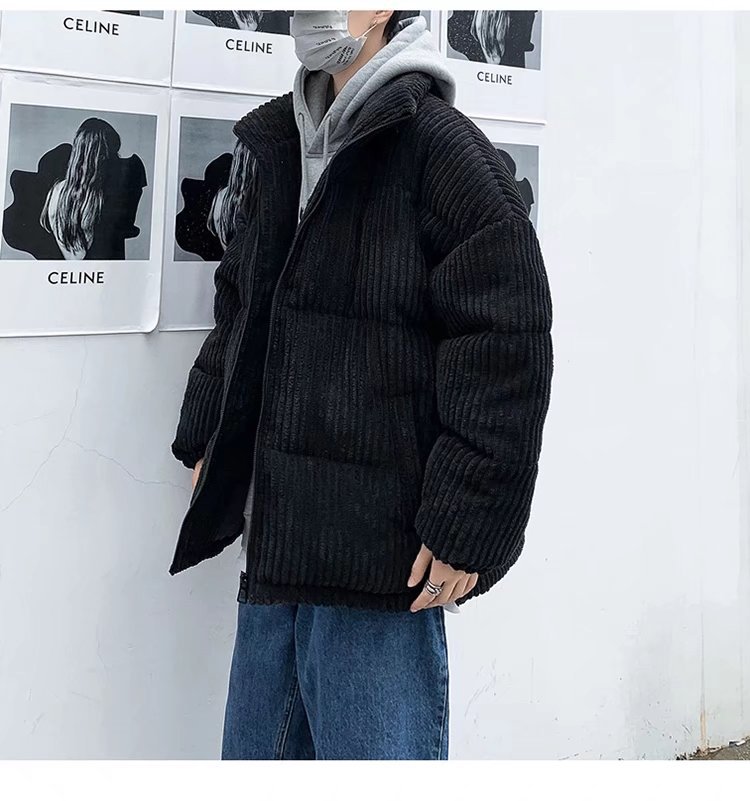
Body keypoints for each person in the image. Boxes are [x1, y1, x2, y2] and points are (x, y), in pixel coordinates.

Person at [169, 10, 553, 760]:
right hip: (277, 545)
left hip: (380, 563)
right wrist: (210, 429)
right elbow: (243, 301)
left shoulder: (442, 151)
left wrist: (468, 522)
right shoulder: (282, 141)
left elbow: (507, 341)